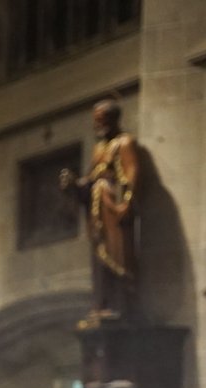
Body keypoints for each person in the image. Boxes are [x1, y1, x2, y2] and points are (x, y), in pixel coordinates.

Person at [60, 97, 141, 323]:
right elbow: (91, 180)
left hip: (113, 210)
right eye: (95, 121)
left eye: (100, 120)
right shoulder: (99, 148)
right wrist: (74, 184)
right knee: (99, 257)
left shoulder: (124, 143)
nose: (96, 125)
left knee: (117, 256)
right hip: (98, 213)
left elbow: (132, 174)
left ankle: (119, 305)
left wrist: (126, 203)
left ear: (113, 119)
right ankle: (102, 304)